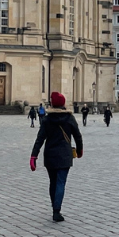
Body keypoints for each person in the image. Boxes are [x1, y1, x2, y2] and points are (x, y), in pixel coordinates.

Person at [30, 91, 83, 223]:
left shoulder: (47, 120)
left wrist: (34, 156)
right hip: (65, 155)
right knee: (60, 182)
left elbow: (40, 139)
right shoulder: (70, 118)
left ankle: (54, 207)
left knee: (53, 182)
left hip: (50, 155)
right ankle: (57, 210)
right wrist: (80, 149)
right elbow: (77, 135)